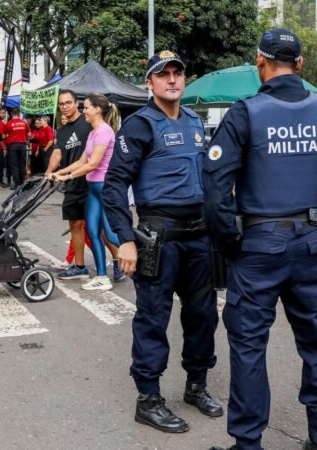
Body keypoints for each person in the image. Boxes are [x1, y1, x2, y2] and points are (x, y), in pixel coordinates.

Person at [203, 29, 317, 450]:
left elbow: (215, 192)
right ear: (301, 64)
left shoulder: (245, 113)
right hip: (313, 242)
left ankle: (248, 444)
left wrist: (231, 243)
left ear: (259, 62)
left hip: (259, 243)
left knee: (249, 347)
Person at [103, 51, 223, 434]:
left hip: (199, 236)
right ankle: (149, 400)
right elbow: (113, 187)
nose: (171, 80)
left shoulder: (194, 121)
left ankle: (196, 385)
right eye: (163, 75)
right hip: (158, 236)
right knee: (153, 318)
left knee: (203, 315)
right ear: (150, 83)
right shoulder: (139, 126)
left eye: (177, 73)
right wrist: (125, 241)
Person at [51, 94, 123, 290]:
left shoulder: (104, 132)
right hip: (93, 188)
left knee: (111, 233)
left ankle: (139, 252)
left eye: (88, 108)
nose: (85, 111)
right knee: (93, 231)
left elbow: (93, 164)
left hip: (104, 187)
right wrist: (59, 172)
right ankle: (102, 277)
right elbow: (81, 161)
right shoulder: (93, 133)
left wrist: (68, 177)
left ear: (98, 110)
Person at [47, 89, 94, 279]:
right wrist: (49, 173)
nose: (64, 107)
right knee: (75, 224)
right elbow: (58, 153)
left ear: (76, 103)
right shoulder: (63, 130)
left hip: (92, 181)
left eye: (68, 103)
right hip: (72, 182)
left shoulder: (88, 123)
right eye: (61, 104)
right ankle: (80, 266)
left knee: (99, 228)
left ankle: (117, 262)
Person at [3, 108, 29, 189]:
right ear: (19, 114)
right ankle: (22, 183)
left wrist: (8, 139)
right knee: (22, 164)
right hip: (22, 145)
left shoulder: (8, 123)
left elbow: (3, 136)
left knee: (14, 165)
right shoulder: (24, 123)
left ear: (11, 114)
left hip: (13, 146)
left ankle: (17, 183)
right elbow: (29, 134)